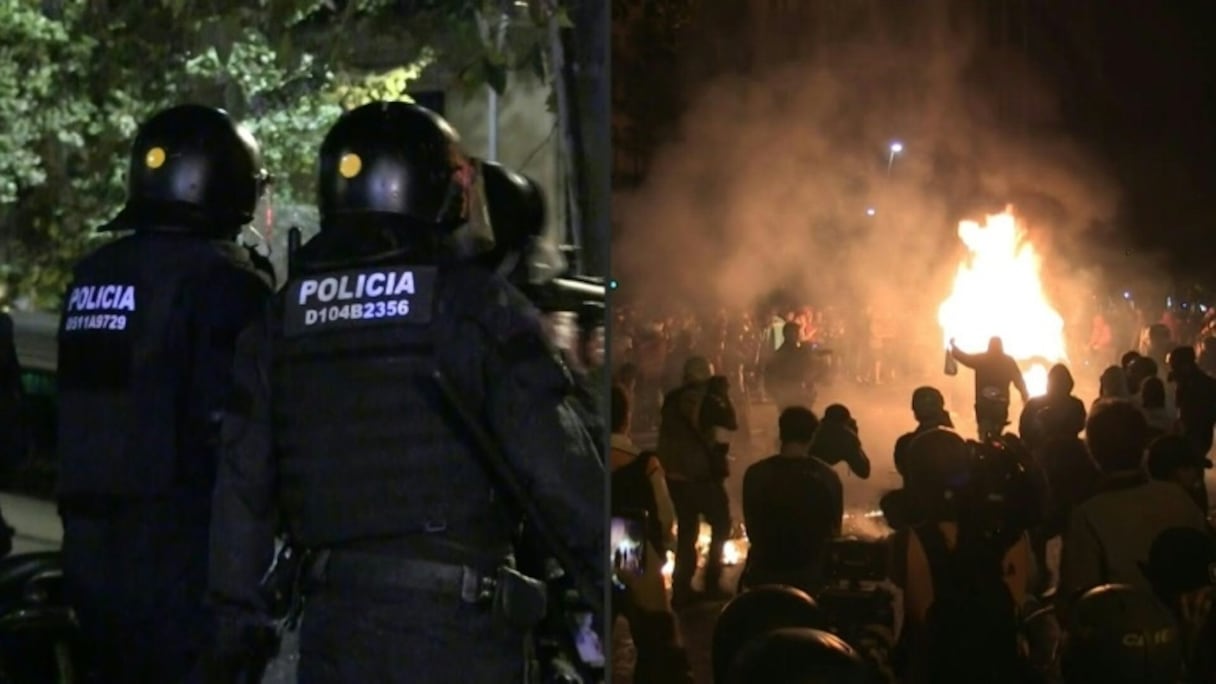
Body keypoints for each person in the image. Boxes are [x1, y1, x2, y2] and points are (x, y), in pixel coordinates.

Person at [206, 102, 605, 683]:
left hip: (334, 636)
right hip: (459, 639)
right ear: (440, 189)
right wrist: (630, 580)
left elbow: (240, 496)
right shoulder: (477, 306)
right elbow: (569, 478)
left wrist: (232, 639)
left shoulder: (280, 319)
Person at [55, 104, 274, 683]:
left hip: (89, 548)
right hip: (182, 556)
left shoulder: (93, 275)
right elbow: (242, 433)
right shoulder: (225, 284)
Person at [740, 407, 843, 594]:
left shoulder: (756, 474)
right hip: (812, 574)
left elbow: (752, 527)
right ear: (813, 436)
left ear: (781, 433)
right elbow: (834, 529)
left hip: (765, 570)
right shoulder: (827, 475)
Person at [657, 356, 733, 605]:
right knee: (721, 524)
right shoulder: (707, 401)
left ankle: (681, 589)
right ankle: (711, 581)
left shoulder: (671, 399)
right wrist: (723, 394)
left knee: (687, 532)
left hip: (675, 477)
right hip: (700, 477)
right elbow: (731, 421)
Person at [949, 336, 1029, 438]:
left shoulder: (981, 359)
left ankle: (984, 444)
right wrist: (1025, 396)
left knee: (984, 430)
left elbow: (965, 358)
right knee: (998, 429)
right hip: (1001, 402)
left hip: (983, 403)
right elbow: (1019, 380)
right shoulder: (1008, 361)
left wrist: (954, 348)